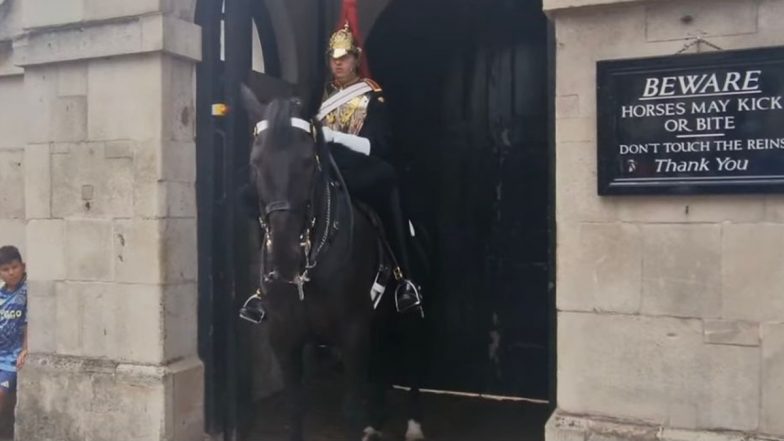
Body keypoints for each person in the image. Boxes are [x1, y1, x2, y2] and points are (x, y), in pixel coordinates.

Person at [239, 22, 423, 324]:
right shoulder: (318, 99)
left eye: (345, 57)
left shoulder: (371, 97)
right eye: (333, 57)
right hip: (320, 165)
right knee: (268, 198)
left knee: (388, 183)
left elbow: (377, 144)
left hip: (355, 164)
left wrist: (336, 138)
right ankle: (266, 285)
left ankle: (404, 278)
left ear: (356, 58)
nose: (338, 63)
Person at [0, 246, 27, 437]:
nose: (11, 272)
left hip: (12, 357)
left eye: (14, 267)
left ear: (23, 266)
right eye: (5, 269)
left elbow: (30, 323)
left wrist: (25, 349)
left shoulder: (27, 291)